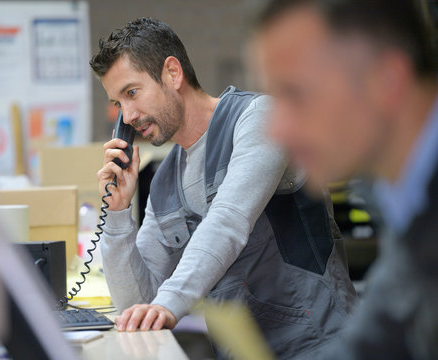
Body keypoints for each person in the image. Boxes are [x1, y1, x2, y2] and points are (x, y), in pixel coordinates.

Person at [90, 17, 356, 359]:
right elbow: (139, 306)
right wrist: (116, 214)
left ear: (173, 73)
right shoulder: (165, 181)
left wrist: (170, 303)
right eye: (118, 104)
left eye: (131, 93)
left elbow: (228, 221)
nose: (126, 116)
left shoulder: (258, 119)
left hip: (315, 346)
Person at [251, 0, 438, 359]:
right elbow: (377, 339)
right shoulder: (403, 197)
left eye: (295, 93)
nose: (276, 130)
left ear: (387, 81)